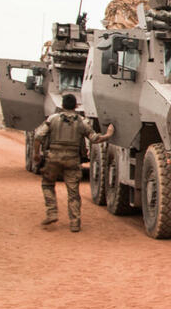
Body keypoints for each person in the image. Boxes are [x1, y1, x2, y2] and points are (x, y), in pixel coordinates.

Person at [33, 94, 114, 232]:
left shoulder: (52, 119)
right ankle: (75, 222)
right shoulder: (82, 121)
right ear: (76, 106)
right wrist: (108, 134)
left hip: (53, 158)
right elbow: (94, 139)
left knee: (47, 184)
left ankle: (52, 212)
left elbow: (38, 137)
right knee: (73, 192)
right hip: (72, 159)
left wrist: (36, 154)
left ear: (62, 105)